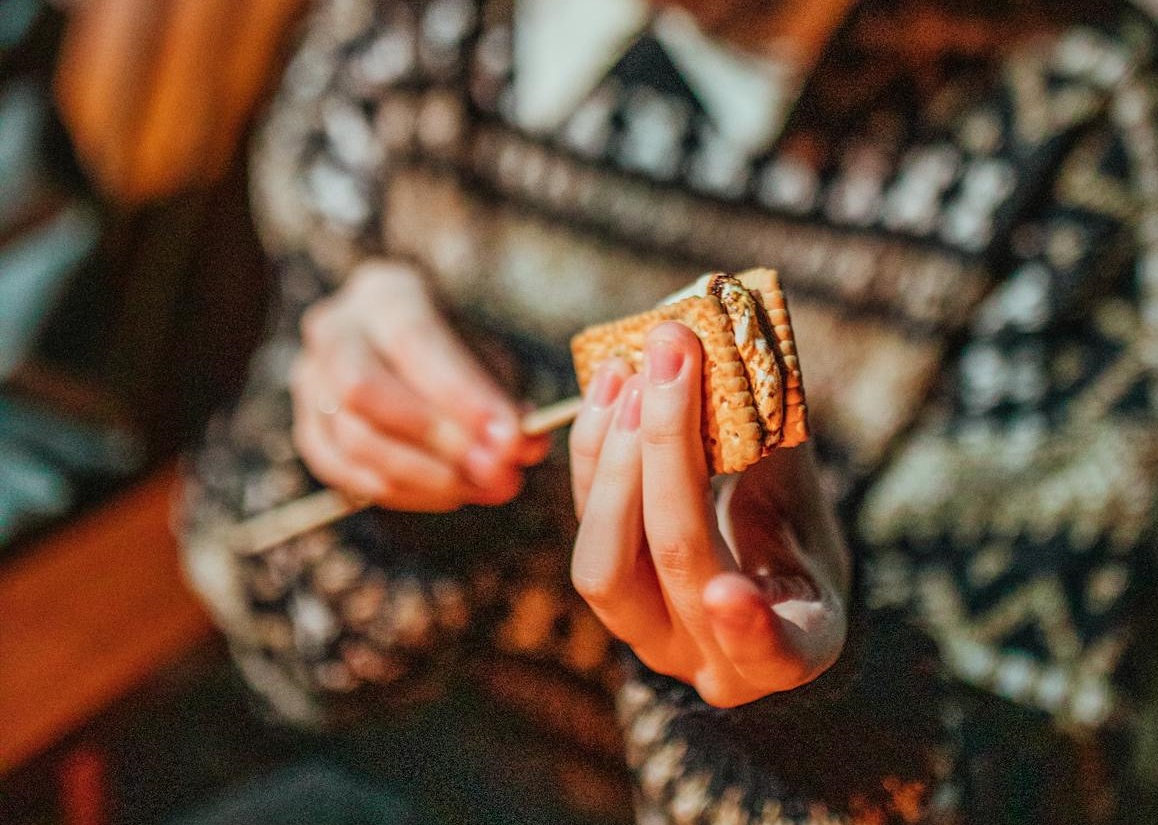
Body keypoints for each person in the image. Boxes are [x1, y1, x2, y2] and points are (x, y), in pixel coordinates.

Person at [170, 0, 1158, 822]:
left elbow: (1053, 773)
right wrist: (380, 501)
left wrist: (809, 722)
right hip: (377, 771)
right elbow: (258, 615)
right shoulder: (405, 30)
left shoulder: (1083, 123)